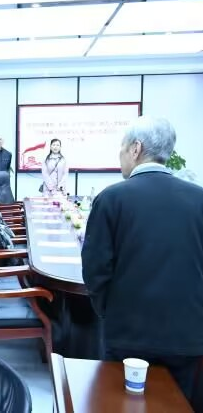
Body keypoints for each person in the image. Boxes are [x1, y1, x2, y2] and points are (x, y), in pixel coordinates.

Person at [82, 116, 203, 404]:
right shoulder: (199, 199)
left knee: (121, 404)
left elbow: (95, 270)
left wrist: (110, 312)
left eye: (122, 147)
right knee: (178, 405)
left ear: (135, 149)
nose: (120, 154)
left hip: (127, 335)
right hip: (187, 336)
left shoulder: (111, 199)